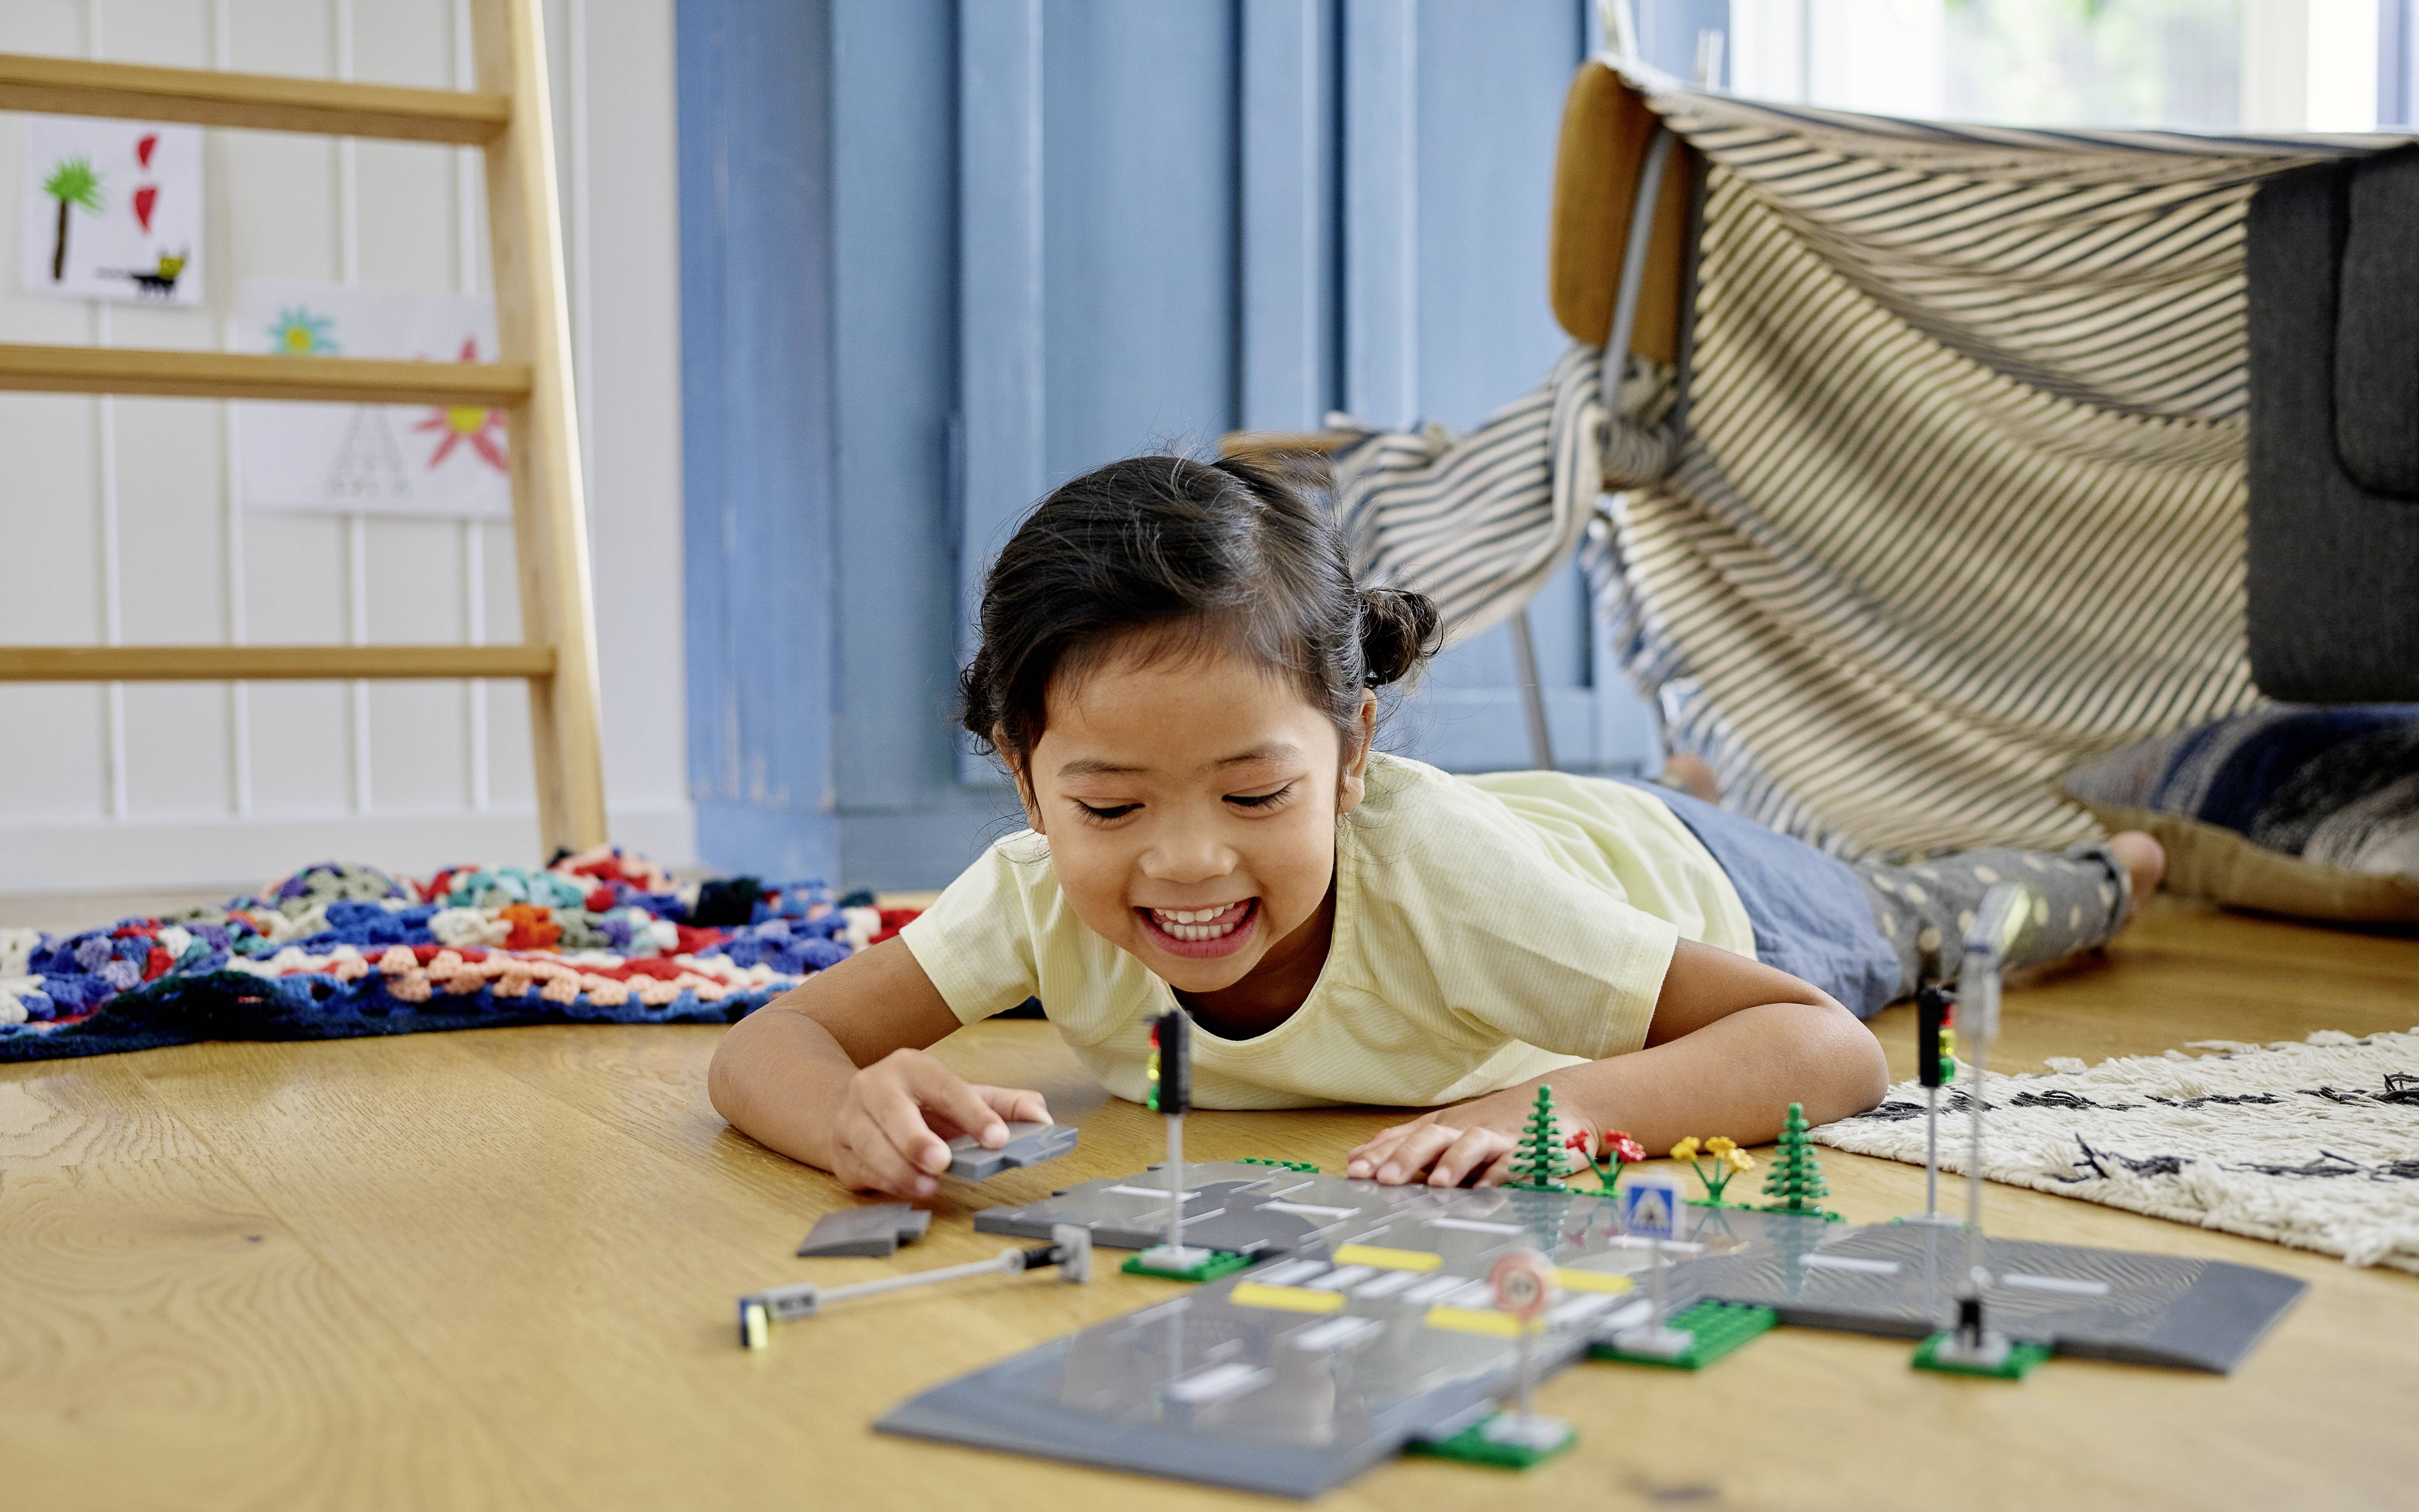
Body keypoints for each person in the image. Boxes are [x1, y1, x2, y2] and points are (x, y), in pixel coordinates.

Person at [707, 455, 2162, 1201]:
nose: (1191, 858)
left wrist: (1551, 1116)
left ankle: (2114, 867)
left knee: (1929, 926)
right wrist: (851, 1112)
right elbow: (764, 1047)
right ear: (1026, 784)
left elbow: (1823, 1049)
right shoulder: (1028, 890)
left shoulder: (1447, 886)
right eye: (1107, 806)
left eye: (1256, 794)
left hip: (1700, 893)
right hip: (1547, 857)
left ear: (1350, 757)